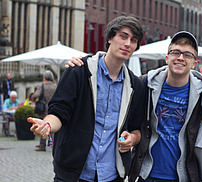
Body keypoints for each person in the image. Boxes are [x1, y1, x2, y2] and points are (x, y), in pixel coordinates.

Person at [67, 31, 202, 181]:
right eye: (176, 52)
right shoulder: (144, 85)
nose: (180, 58)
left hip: (183, 175)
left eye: (187, 55)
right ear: (167, 57)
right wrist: (84, 64)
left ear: (195, 62)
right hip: (145, 173)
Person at [28, 16, 145, 181]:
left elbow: (137, 128)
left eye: (133, 40)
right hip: (74, 173)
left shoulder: (135, 86)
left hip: (112, 175)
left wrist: (132, 139)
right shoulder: (78, 71)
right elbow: (59, 111)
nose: (127, 44)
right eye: (123, 36)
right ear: (111, 38)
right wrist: (47, 124)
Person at [31, 70, 57, 151]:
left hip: (44, 109)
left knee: (43, 125)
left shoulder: (42, 85)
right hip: (53, 108)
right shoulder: (55, 85)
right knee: (52, 126)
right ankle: (54, 144)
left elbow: (35, 95)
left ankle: (42, 145)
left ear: (44, 77)